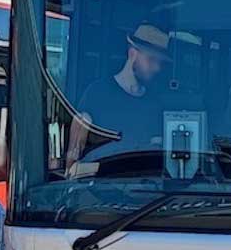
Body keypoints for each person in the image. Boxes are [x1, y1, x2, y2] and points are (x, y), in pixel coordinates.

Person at [66, 22, 170, 171]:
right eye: (151, 59)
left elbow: (154, 158)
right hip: (95, 188)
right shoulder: (96, 93)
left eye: (160, 62)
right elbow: (74, 156)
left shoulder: (155, 103)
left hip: (140, 189)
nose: (157, 68)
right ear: (132, 54)